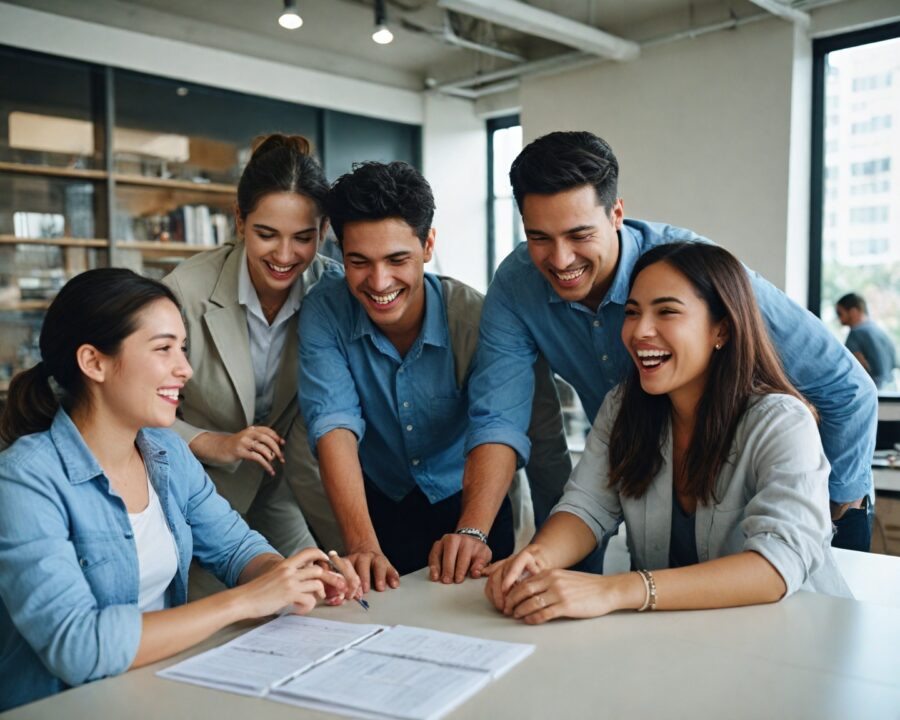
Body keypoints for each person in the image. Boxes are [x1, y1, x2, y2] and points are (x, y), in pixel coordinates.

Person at [436, 130, 877, 578]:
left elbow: (847, 389)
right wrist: (491, 539)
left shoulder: (697, 275)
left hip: (792, 499)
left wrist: (833, 512)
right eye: (539, 237)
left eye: (579, 234)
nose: (560, 259)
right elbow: (502, 418)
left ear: (616, 215)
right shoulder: (525, 293)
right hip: (654, 482)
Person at [0, 268, 359, 711]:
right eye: (163, 348)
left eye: (183, 349)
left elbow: (235, 550)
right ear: (94, 362)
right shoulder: (24, 479)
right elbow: (78, 647)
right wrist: (246, 600)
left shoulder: (166, 451)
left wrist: (292, 578)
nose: (185, 369)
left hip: (159, 690)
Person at [485, 242, 850, 623]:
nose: (639, 331)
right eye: (632, 312)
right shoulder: (623, 406)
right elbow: (585, 506)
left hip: (791, 645)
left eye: (667, 312)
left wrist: (615, 589)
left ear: (721, 328)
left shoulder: (781, 422)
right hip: (684, 645)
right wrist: (536, 559)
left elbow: (777, 564)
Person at [298, 161, 571, 592]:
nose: (379, 281)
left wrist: (475, 531)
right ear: (339, 252)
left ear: (428, 245)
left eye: (397, 259)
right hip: (377, 502)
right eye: (358, 262)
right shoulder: (324, 310)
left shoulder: (478, 317)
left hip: (471, 498)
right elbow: (332, 422)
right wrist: (362, 543)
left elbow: (498, 427)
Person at [162, 133, 342, 560]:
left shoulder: (335, 291)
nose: (285, 255)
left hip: (285, 491)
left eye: (303, 237)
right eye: (266, 234)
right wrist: (213, 442)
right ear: (239, 221)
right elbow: (130, 406)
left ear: (324, 231)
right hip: (194, 489)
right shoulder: (184, 292)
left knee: (320, 598)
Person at [836, 292, 897, 390]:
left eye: (840, 313)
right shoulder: (879, 331)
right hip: (890, 389)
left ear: (853, 312)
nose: (838, 319)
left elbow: (852, 370)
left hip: (869, 391)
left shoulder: (855, 334)